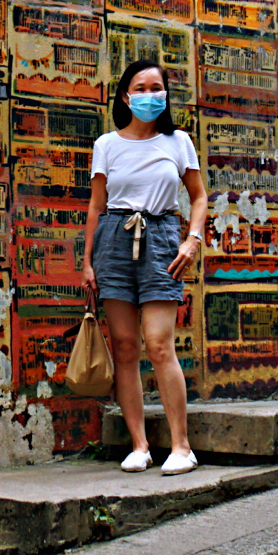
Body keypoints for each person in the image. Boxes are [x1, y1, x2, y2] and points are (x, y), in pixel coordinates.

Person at [80, 59, 208, 475]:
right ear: (125, 95)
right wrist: (87, 263)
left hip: (161, 237)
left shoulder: (178, 142)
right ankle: (139, 445)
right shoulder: (107, 145)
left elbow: (199, 196)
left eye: (158, 87)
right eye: (141, 86)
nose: (150, 94)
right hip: (114, 239)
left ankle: (181, 446)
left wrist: (193, 239)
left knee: (159, 343)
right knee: (125, 347)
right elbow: (97, 206)